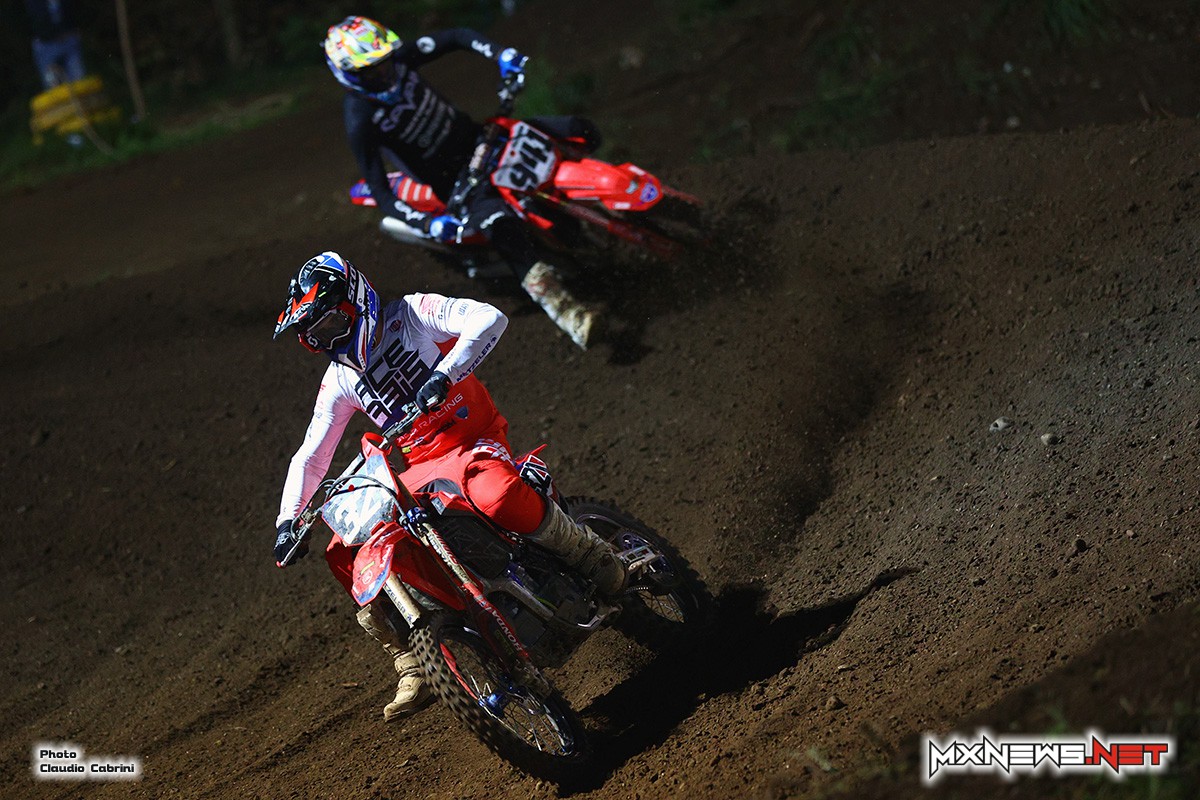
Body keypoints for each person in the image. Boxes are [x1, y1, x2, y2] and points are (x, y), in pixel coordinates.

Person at [271, 251, 626, 722]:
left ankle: (587, 552)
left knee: (496, 496)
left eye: (332, 323)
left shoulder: (411, 314)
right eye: (317, 335)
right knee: (348, 547)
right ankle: (411, 656)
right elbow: (311, 455)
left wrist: (444, 373)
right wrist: (288, 521)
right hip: (422, 464)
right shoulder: (340, 380)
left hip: (471, 436)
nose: (330, 340)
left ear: (355, 300)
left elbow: (488, 318)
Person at [323, 16, 601, 350]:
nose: (384, 73)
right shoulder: (360, 119)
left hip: (483, 139)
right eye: (371, 71)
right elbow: (381, 193)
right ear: (349, 74)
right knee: (505, 230)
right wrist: (428, 223)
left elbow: (457, 35)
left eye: (384, 62)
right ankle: (570, 316)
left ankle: (605, 206)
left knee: (578, 129)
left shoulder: (401, 60)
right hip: (458, 184)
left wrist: (501, 54)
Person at [24, 0, 87, 90]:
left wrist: (73, 30)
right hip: (45, 45)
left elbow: (73, 11)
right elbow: (36, 18)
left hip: (68, 41)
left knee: (79, 82)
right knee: (53, 87)